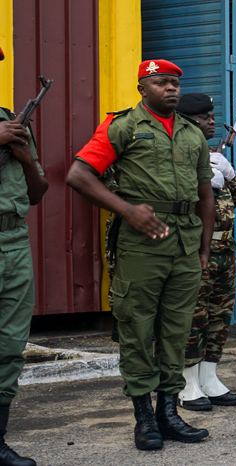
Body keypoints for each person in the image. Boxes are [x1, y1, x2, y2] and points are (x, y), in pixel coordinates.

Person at [67, 59, 212, 450]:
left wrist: (204, 248)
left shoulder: (192, 133)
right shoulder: (123, 126)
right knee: (137, 331)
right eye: (162, 83)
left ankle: (168, 413)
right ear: (142, 88)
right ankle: (144, 418)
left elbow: (205, 193)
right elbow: (78, 175)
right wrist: (126, 209)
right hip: (141, 246)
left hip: (184, 243)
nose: (172, 90)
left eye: (176, 84)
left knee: (176, 331)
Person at [173, 93, 236, 411]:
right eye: (204, 117)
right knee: (193, 318)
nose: (212, 121)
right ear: (188, 121)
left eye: (212, 116)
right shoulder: (176, 153)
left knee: (219, 316)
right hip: (193, 251)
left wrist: (228, 175)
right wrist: (198, 182)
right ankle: (187, 382)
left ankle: (209, 375)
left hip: (224, 251)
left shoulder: (217, 156)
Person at [0, 44, 49, 466]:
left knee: (10, 344)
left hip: (13, 243)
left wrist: (23, 155)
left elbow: (37, 193)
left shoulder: (12, 122)